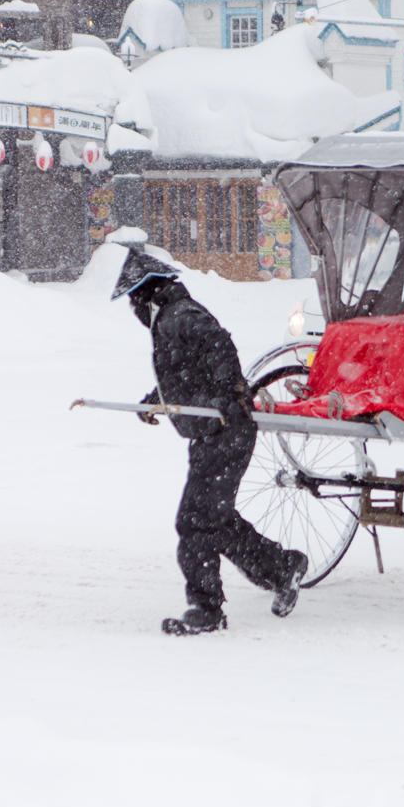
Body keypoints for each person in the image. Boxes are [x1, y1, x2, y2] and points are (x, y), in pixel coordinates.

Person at [111, 246, 308, 636]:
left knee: (194, 521)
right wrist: (156, 400)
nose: (134, 310)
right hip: (213, 431)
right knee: (213, 518)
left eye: (134, 301)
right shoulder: (171, 316)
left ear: (146, 294)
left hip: (226, 429)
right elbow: (183, 374)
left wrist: (227, 396)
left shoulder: (179, 316)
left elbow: (219, 344)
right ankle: (281, 567)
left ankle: (207, 608)